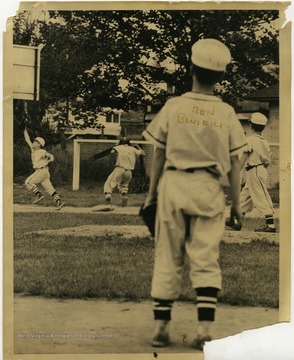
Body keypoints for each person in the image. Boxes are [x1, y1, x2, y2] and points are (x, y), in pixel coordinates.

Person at [142, 38, 247, 350]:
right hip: (209, 189)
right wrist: (237, 205)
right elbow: (234, 163)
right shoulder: (227, 113)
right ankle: (203, 331)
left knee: (167, 255)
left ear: (191, 69)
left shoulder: (174, 107)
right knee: (205, 258)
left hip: (174, 185)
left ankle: (161, 329)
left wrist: (151, 196)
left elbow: (158, 154)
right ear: (221, 77)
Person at [226, 112, 276, 232]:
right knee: (245, 197)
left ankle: (270, 226)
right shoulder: (265, 142)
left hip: (255, 170)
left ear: (251, 126)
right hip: (259, 169)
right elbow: (267, 162)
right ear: (263, 128)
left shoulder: (250, 140)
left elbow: (243, 157)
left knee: (261, 196)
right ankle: (237, 223)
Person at [24, 128, 65, 210]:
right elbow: (27, 139)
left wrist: (50, 160)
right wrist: (24, 129)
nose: (33, 142)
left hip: (41, 171)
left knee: (28, 182)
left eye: (35, 141)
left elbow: (50, 156)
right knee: (49, 189)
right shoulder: (33, 150)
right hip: (44, 172)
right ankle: (59, 202)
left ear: (39, 145)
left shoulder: (41, 151)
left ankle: (38, 194)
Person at [104, 138, 145, 207]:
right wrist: (137, 146)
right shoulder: (132, 149)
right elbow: (143, 154)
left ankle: (108, 201)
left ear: (120, 142)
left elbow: (112, 152)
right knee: (123, 185)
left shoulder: (118, 147)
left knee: (109, 184)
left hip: (120, 168)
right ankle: (124, 196)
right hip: (129, 171)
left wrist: (116, 147)